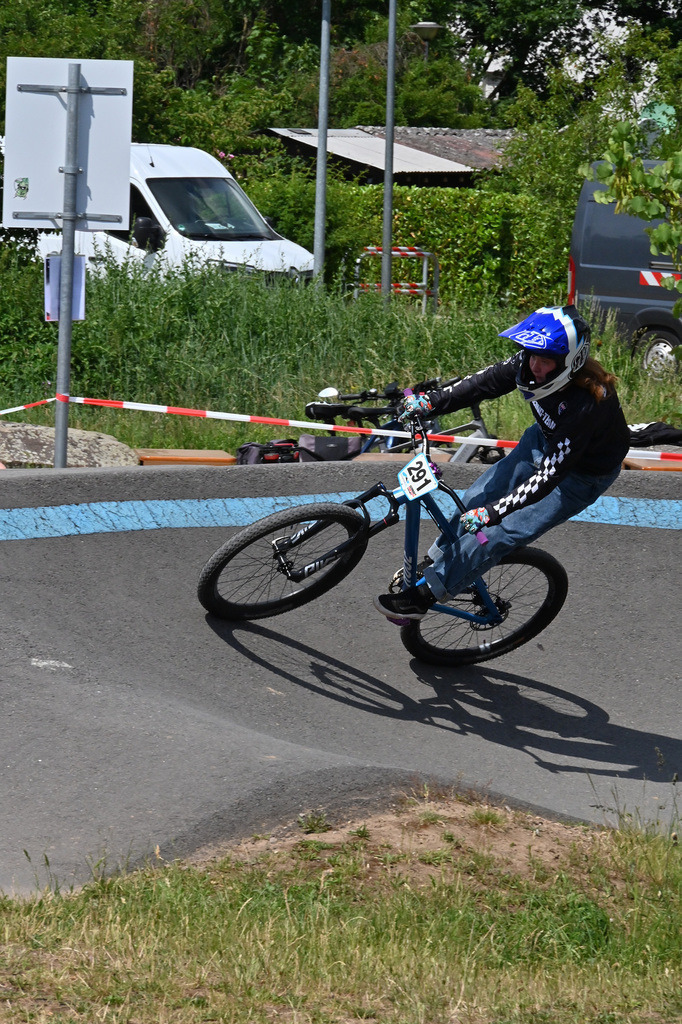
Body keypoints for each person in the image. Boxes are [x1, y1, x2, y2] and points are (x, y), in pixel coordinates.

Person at [373, 304, 631, 620]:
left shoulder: (587, 404)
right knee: (473, 499)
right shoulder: (528, 363)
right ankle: (437, 562)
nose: (534, 366)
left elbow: (549, 476)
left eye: (545, 361)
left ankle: (421, 598)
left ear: (569, 362)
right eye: (532, 355)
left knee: (497, 532)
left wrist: (494, 512)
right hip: (543, 440)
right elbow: (479, 385)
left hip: (579, 476)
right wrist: (430, 402)